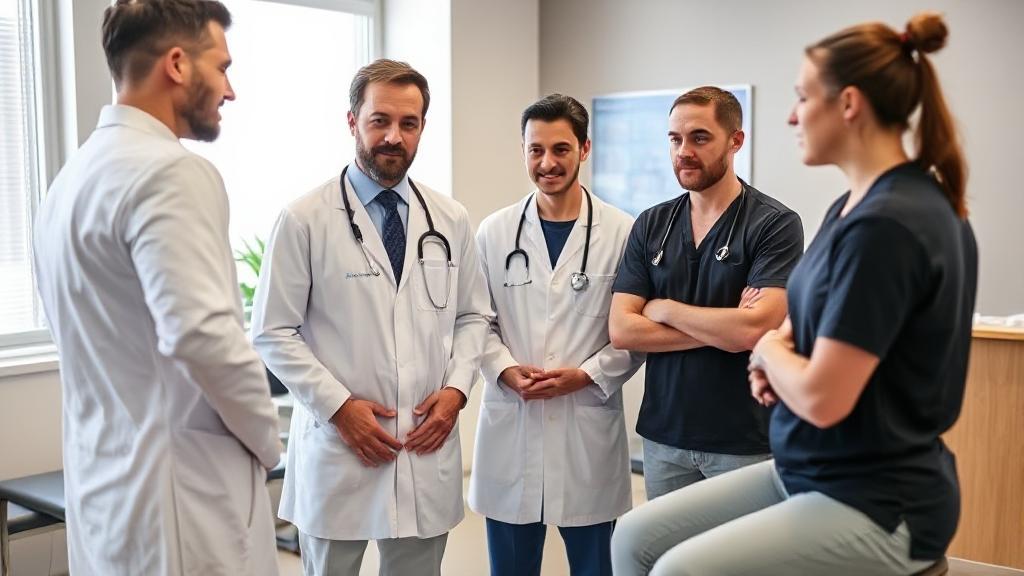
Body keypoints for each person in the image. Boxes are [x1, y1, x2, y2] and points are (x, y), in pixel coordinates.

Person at [611, 12, 975, 576]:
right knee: (633, 536)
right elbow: (794, 329)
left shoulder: (888, 226)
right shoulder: (850, 208)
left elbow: (815, 388)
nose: (790, 115)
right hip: (810, 468)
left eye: (802, 97)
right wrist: (770, 348)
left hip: (876, 494)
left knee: (679, 569)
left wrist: (764, 349)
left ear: (848, 104)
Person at [32, 1, 282, 575]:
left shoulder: (68, 183)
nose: (230, 90)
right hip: (181, 500)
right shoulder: (171, 171)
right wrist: (267, 440)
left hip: (106, 490)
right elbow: (202, 335)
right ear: (177, 64)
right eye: (222, 67)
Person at [251, 59, 492, 576]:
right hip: (340, 455)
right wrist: (339, 409)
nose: (393, 136)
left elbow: (474, 316)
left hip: (423, 443)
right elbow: (272, 331)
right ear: (352, 121)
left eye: (409, 123)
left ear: (422, 127)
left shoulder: (449, 218)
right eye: (379, 120)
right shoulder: (304, 219)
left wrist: (456, 392)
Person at [469, 94, 645, 576]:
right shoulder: (494, 232)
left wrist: (587, 375)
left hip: (585, 430)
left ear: (584, 149)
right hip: (513, 424)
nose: (547, 163)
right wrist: (504, 370)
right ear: (523, 151)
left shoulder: (623, 232)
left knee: (595, 567)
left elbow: (633, 332)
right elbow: (475, 321)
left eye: (561, 149)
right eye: (536, 150)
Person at [608, 86, 803, 500]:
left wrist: (663, 308)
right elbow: (623, 330)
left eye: (699, 138)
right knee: (663, 546)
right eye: (675, 139)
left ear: (736, 140)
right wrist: (726, 329)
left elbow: (754, 330)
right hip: (664, 437)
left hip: (743, 442)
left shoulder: (774, 224)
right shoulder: (651, 224)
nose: (684, 152)